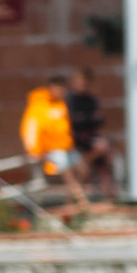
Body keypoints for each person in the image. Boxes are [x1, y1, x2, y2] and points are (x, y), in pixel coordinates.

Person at [18, 77, 75, 196]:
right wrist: (33, 150)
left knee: (82, 167)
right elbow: (31, 129)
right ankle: (80, 200)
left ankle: (70, 200)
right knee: (66, 169)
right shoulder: (39, 105)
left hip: (66, 148)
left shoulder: (62, 103)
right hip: (48, 150)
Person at [66, 67, 114, 199]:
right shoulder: (70, 99)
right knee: (97, 152)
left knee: (104, 156)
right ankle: (84, 164)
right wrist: (86, 120)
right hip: (74, 140)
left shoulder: (90, 99)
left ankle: (109, 194)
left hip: (89, 138)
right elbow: (72, 121)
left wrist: (85, 119)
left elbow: (98, 119)